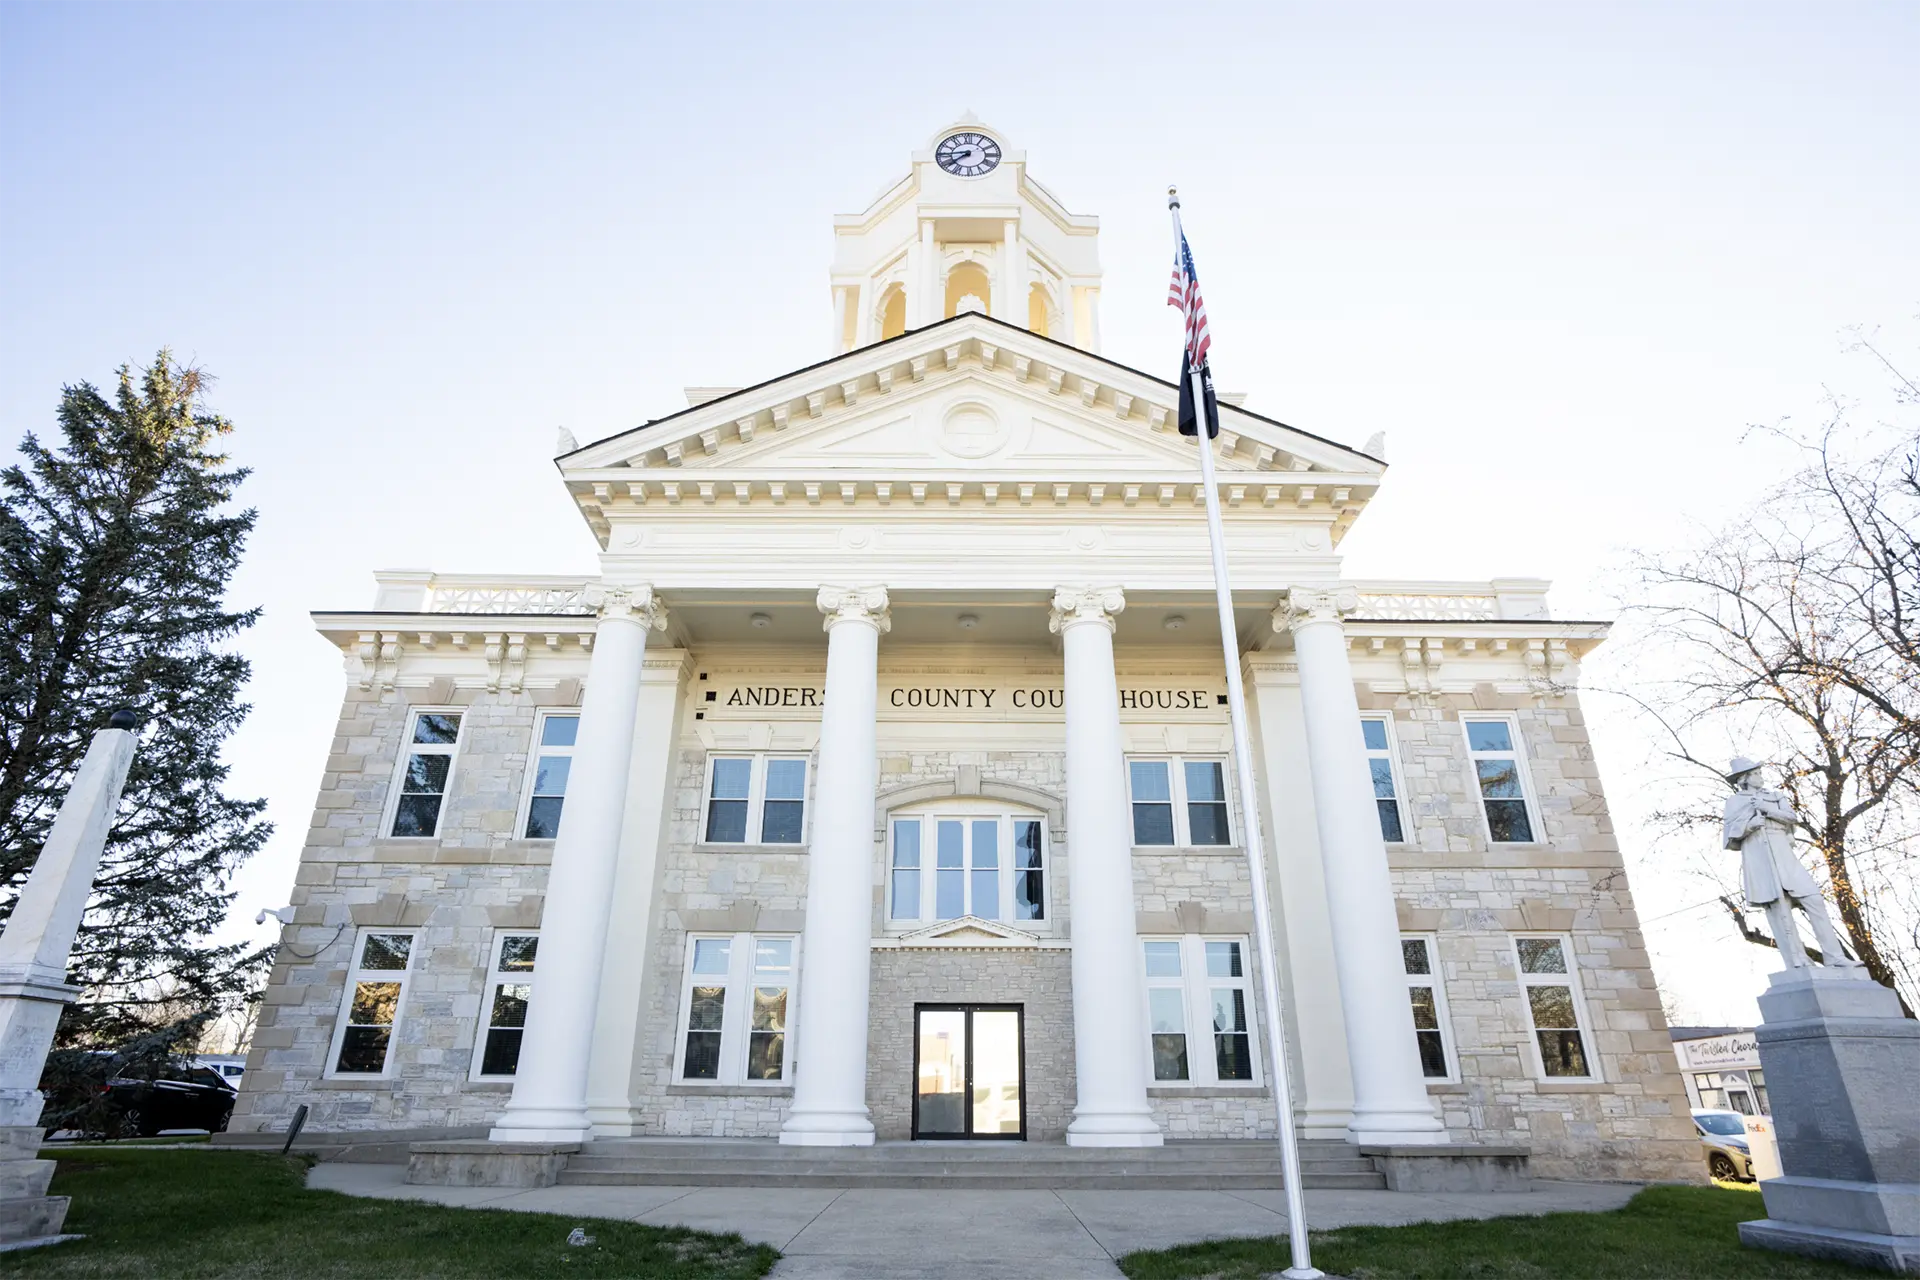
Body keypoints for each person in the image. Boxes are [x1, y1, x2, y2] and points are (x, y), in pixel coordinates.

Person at [1723, 757, 1859, 969]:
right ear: (1745, 779)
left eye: (1759, 773)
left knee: (1814, 899)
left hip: (1783, 851)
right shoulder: (1735, 802)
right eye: (1756, 774)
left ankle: (1835, 957)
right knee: (1779, 909)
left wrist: (1766, 809)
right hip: (1760, 854)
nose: (1760, 777)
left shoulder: (1774, 796)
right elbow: (1730, 836)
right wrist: (1750, 825)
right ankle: (1797, 960)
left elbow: (1791, 817)